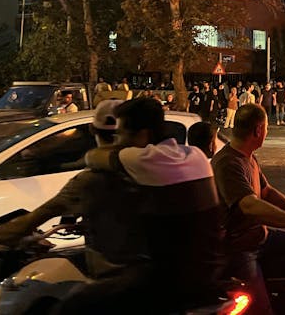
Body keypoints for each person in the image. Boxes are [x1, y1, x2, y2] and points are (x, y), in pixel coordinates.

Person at [0, 100, 156, 314]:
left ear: (92, 130)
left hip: (118, 281)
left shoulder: (91, 181)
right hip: (154, 276)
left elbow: (30, 221)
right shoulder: (156, 172)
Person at [85, 97, 224, 312]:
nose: (117, 140)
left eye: (121, 133)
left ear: (143, 135)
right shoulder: (195, 155)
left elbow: (94, 157)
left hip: (168, 286)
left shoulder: (140, 159)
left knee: (77, 302)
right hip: (211, 274)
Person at [211, 104, 285, 314]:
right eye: (266, 128)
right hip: (241, 247)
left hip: (260, 236)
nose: (267, 132)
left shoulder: (248, 156)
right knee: (261, 310)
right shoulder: (228, 163)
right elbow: (250, 205)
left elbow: (266, 192)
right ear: (257, 130)